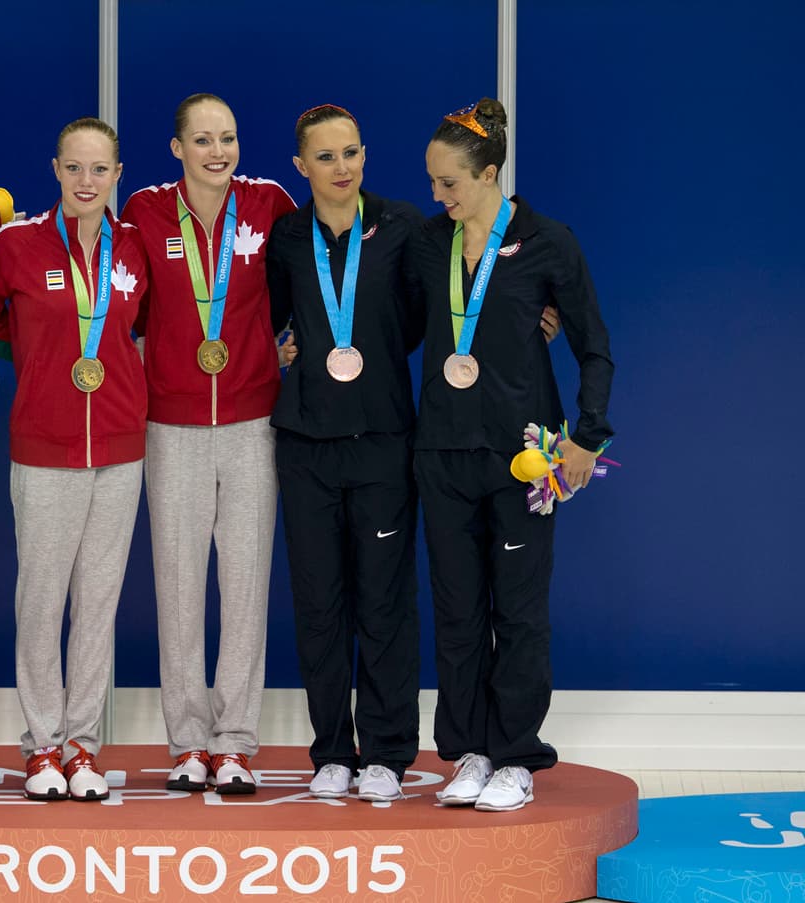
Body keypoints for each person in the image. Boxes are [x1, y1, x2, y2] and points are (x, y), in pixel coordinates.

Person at [414, 98, 613, 812]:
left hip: (525, 459)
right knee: (458, 609)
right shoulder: (430, 244)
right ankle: (470, 751)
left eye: (450, 184)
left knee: (520, 611)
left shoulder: (547, 241)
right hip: (442, 455)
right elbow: (391, 322)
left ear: (489, 173)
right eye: (433, 183)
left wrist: (588, 435)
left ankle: (517, 757)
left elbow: (594, 344)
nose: (437, 197)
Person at [119, 94, 297, 795]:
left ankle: (237, 741)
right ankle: (188, 740)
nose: (217, 151)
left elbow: (306, 278)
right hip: (171, 423)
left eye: (226, 137)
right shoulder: (144, 209)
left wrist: (292, 345)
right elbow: (116, 299)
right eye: (202, 139)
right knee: (180, 584)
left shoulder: (270, 201)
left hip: (254, 421)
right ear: (176, 148)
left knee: (246, 582)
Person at [0, 117, 149, 802]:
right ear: (56, 169)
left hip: (119, 450)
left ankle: (83, 745)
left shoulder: (135, 248)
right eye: (75, 168)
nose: (87, 181)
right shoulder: (16, 245)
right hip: (45, 451)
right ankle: (41, 745)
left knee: (98, 603)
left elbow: (143, 331)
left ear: (117, 173)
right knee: (41, 600)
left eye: (101, 169)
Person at [266, 104, 425, 803]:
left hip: (384, 439)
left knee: (384, 601)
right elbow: (269, 320)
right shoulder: (286, 236)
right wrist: (286, 349)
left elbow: (428, 321)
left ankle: (387, 750)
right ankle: (332, 748)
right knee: (320, 604)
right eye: (326, 158)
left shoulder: (403, 227)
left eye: (352, 152)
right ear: (302, 167)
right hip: (305, 444)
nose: (343, 168)